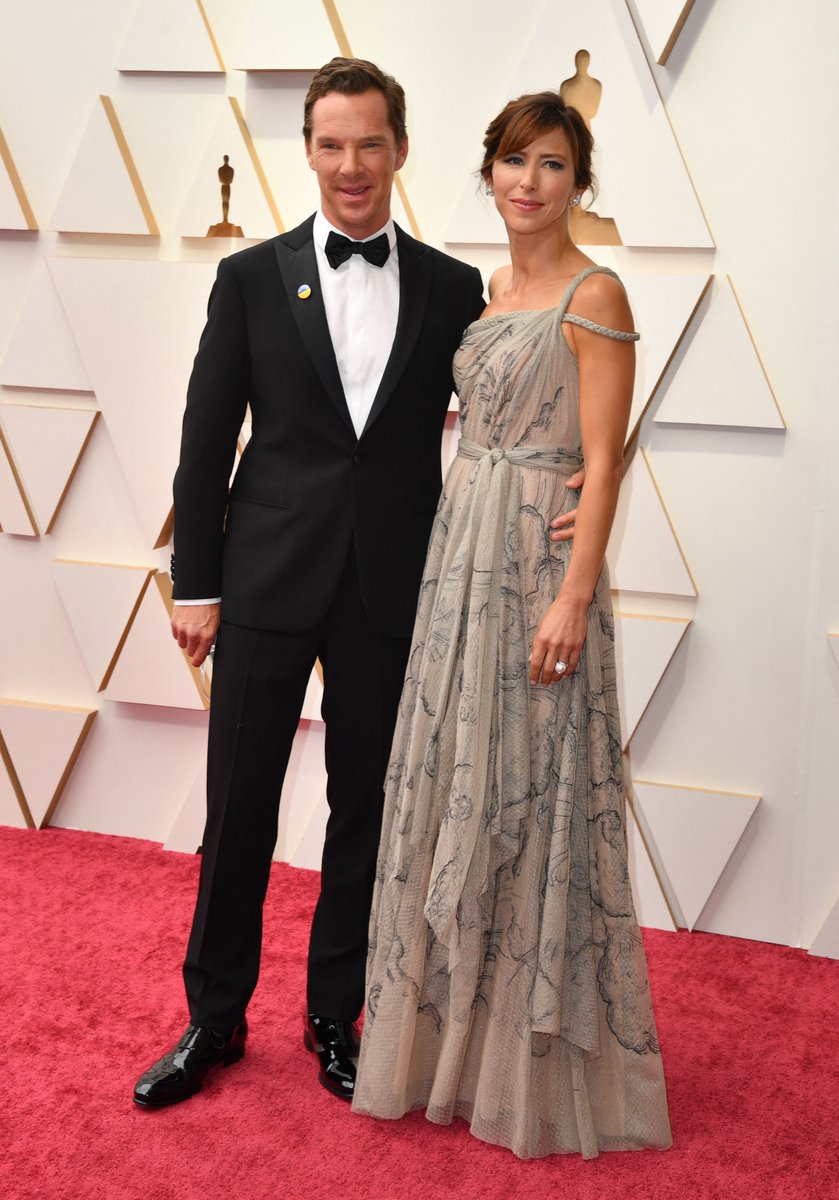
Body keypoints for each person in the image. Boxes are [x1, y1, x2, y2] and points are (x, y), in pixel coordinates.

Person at [132, 57, 487, 1108]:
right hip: (265, 577)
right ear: (308, 152)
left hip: (391, 583)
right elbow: (206, 441)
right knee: (237, 806)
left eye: (369, 143)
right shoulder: (249, 277)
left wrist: (565, 487)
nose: (350, 165)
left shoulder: (453, 287)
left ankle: (336, 1016)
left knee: (364, 812)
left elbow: (502, 424)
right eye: (331, 145)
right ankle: (213, 1019)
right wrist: (196, 584)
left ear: (400, 150)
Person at [352, 91, 673, 1159]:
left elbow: (602, 462)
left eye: (551, 165)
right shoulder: (486, 292)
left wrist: (574, 595)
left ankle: (526, 1060)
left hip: (537, 565)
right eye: (512, 161)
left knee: (534, 788)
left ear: (579, 183)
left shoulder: (595, 292)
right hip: (461, 559)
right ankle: (451, 1041)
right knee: (464, 780)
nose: (528, 182)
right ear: (486, 172)